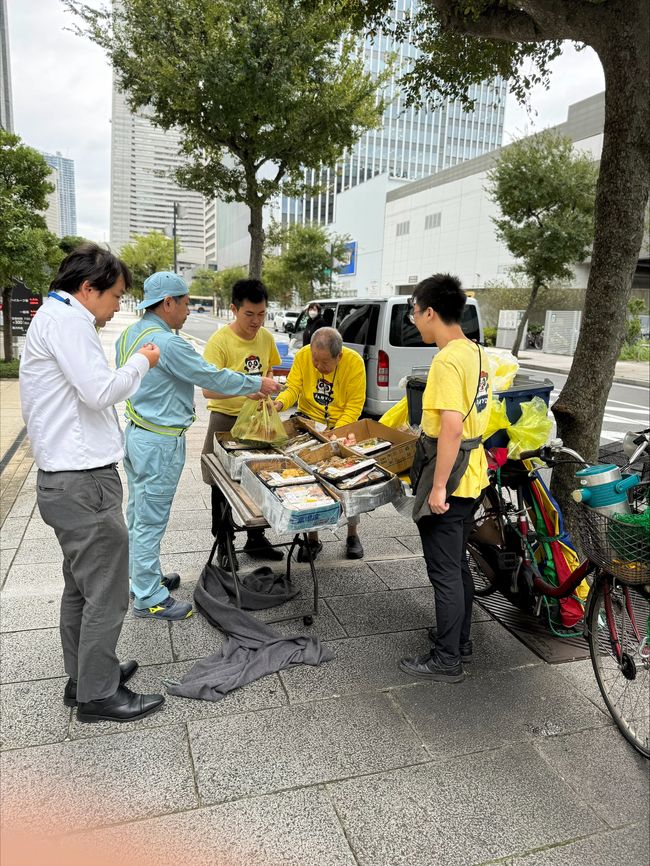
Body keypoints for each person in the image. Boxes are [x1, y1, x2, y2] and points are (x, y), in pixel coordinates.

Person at [20, 243, 165, 723]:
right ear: (88, 289)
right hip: (83, 482)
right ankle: (98, 695)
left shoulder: (55, 317)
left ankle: (84, 676)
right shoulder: (69, 322)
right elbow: (101, 391)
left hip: (66, 481)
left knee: (81, 587)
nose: (117, 307)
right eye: (115, 296)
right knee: (106, 591)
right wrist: (143, 360)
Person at [116, 272, 281, 621]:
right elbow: (210, 377)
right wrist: (256, 383)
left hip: (139, 434)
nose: (189, 309)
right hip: (159, 440)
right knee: (149, 518)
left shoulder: (133, 332)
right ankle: (148, 597)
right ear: (168, 303)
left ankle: (143, 578)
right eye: (187, 302)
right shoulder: (169, 343)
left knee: (139, 513)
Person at [399, 274, 491, 684]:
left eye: (415, 313)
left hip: (450, 479)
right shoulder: (476, 352)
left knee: (444, 572)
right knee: (456, 565)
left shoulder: (447, 360)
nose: (414, 321)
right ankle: (461, 642)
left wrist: (437, 488)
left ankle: (446, 659)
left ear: (430, 312)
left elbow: (451, 427)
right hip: (472, 475)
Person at [201, 279, 283, 570]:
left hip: (257, 417)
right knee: (220, 483)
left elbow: (269, 369)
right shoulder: (220, 341)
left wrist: (270, 393)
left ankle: (256, 537)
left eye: (261, 314)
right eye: (249, 314)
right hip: (225, 419)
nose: (256, 321)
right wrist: (243, 389)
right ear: (234, 309)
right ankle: (224, 543)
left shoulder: (265, 337)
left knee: (258, 477)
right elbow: (208, 389)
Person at [273, 327, 366, 560]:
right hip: (308, 421)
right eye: (315, 359)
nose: (317, 366)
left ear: (339, 356)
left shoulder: (354, 363)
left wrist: (335, 434)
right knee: (307, 478)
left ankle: (352, 534)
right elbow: (293, 387)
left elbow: (354, 406)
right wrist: (280, 404)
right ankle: (312, 539)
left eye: (324, 362)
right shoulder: (305, 355)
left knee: (348, 481)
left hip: (341, 427)